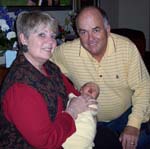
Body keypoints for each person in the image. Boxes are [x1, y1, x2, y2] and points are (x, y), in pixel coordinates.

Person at [51, 6, 150, 149]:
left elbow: (144, 87)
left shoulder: (127, 48)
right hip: (91, 121)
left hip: (126, 116)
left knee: (140, 142)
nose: (90, 39)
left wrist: (133, 125)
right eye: (83, 32)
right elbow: (42, 63)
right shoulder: (67, 52)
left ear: (107, 29)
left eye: (96, 30)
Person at [0, 11, 97, 148]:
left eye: (52, 36)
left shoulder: (50, 67)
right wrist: (72, 111)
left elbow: (72, 94)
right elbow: (46, 142)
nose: (50, 42)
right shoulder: (20, 89)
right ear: (23, 39)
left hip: (65, 135)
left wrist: (85, 96)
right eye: (42, 35)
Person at [63, 82, 99, 149]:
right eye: (88, 85)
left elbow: (94, 111)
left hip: (85, 134)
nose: (92, 88)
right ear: (81, 90)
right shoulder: (72, 97)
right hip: (71, 133)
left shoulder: (93, 104)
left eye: (95, 90)